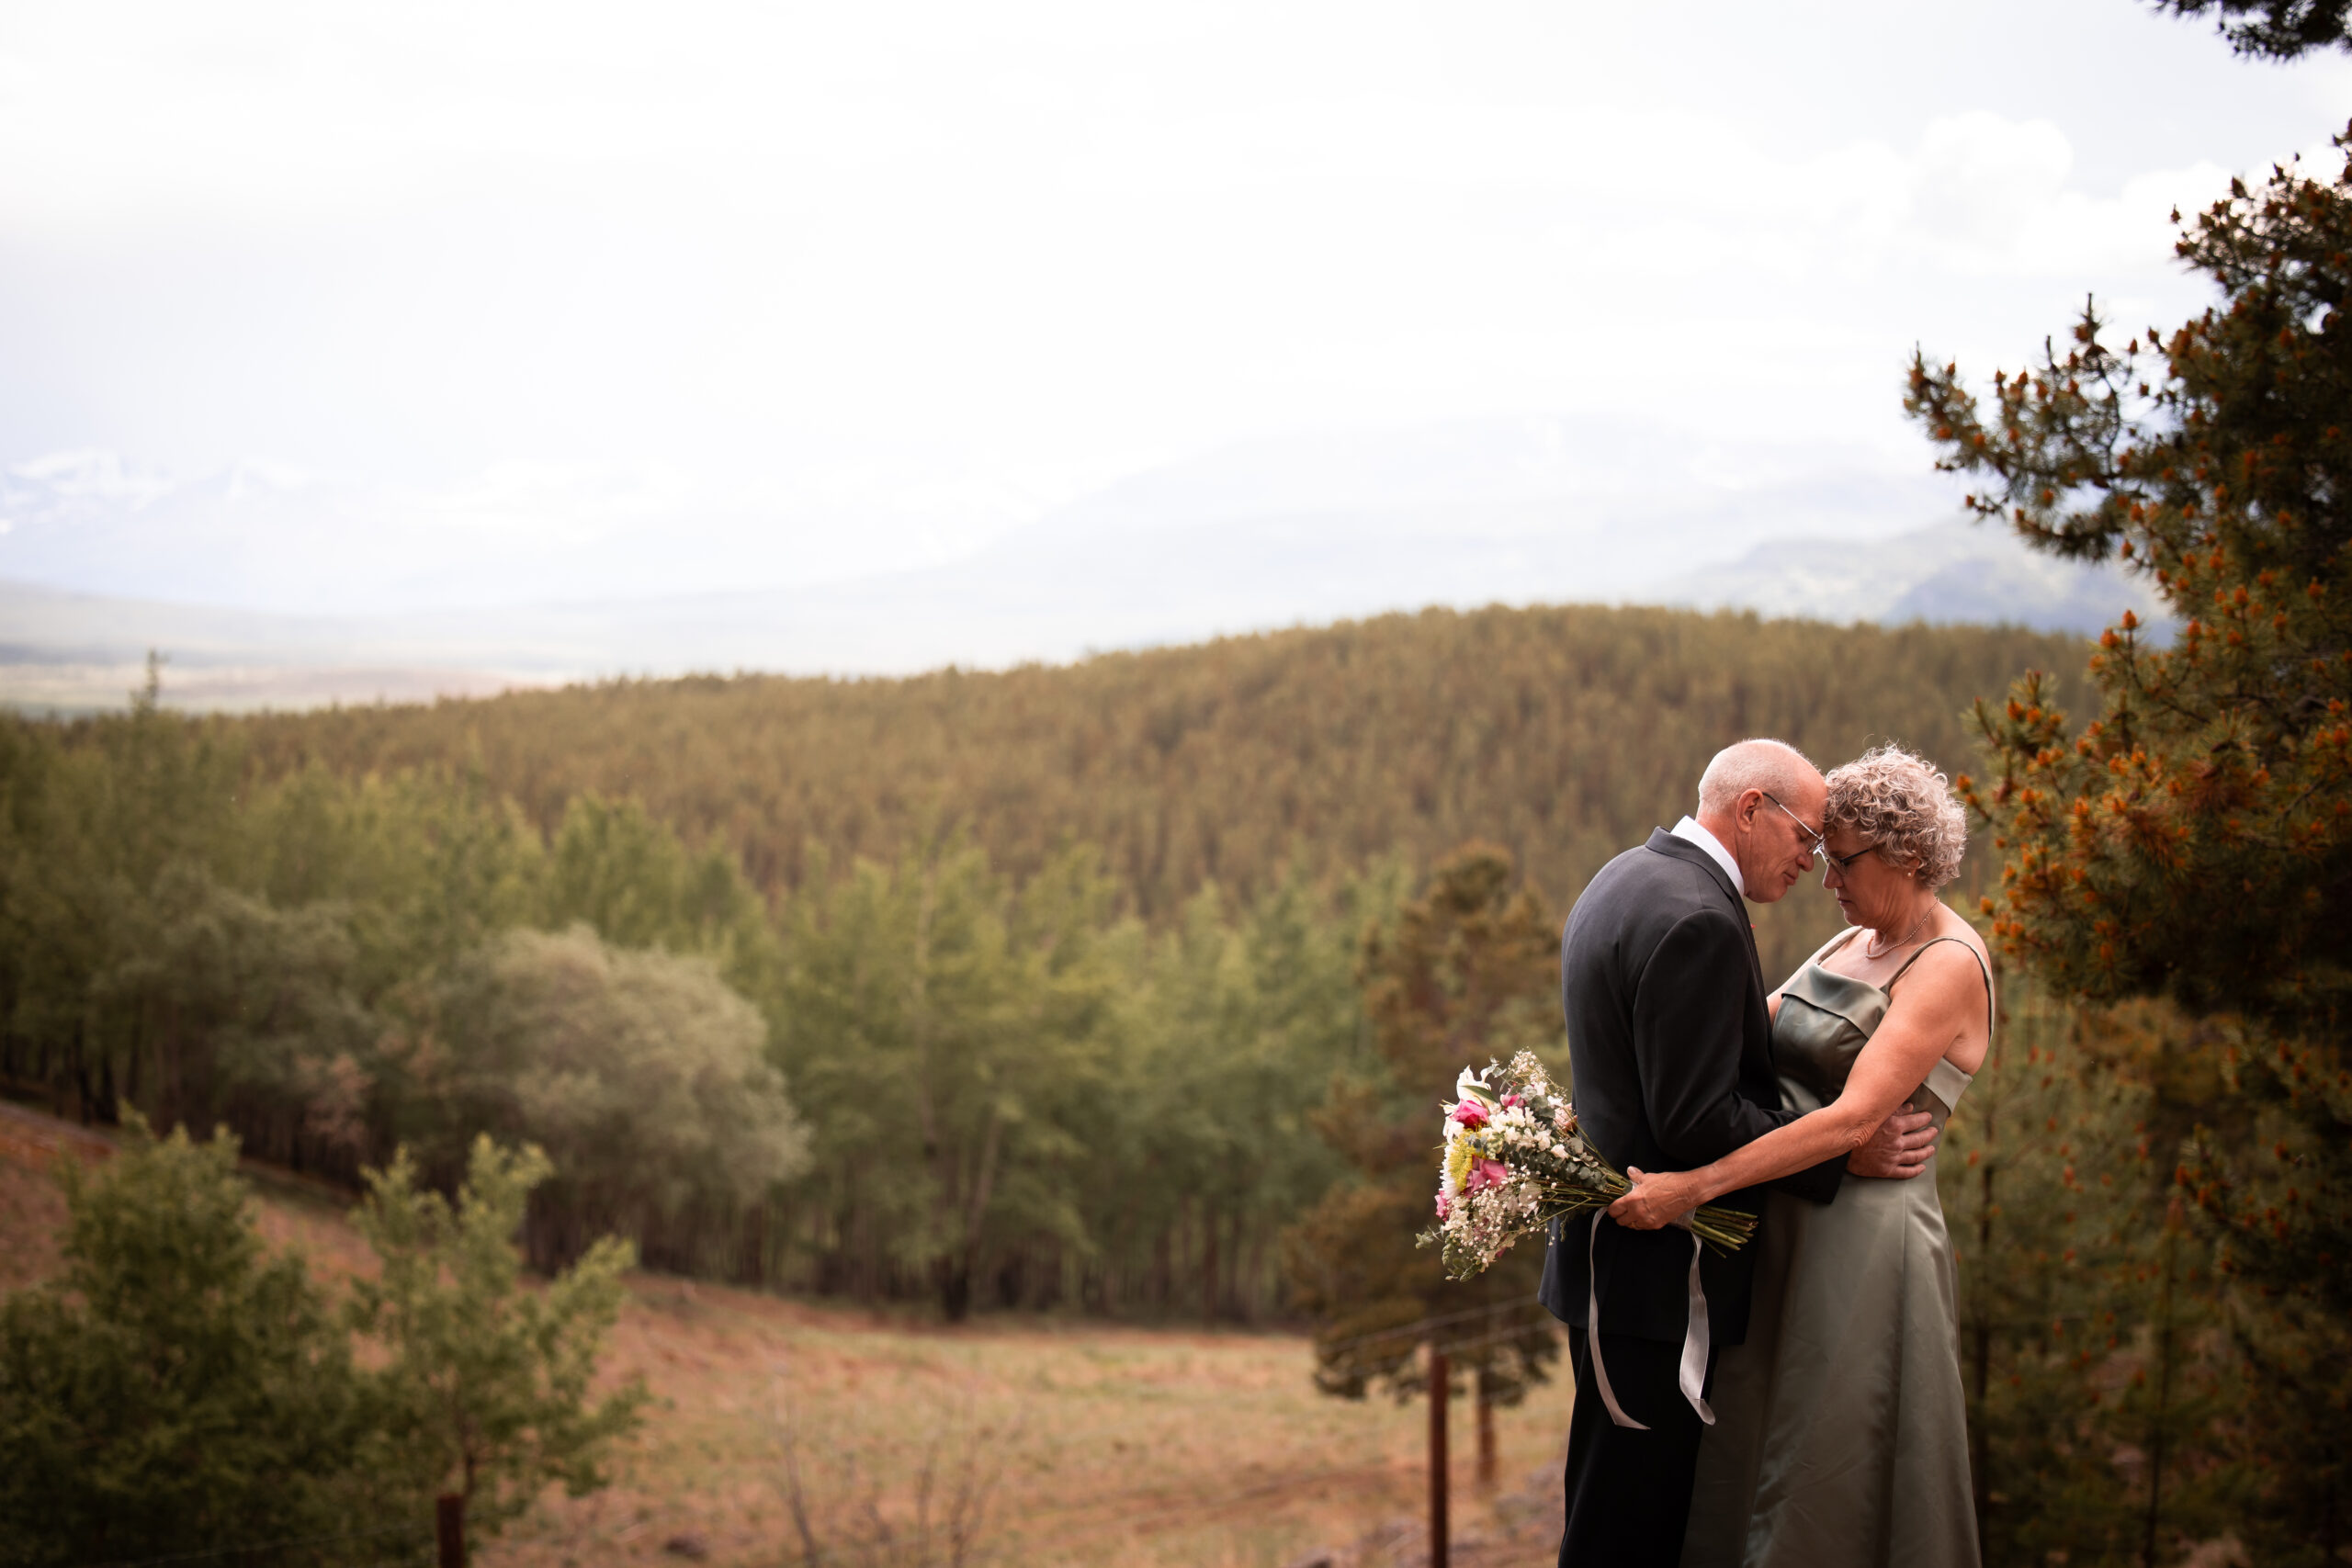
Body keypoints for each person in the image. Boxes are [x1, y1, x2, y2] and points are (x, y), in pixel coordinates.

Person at [1540, 739, 1939, 1568]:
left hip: (1606, 1269)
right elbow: (1695, 1121)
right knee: (1631, 1530)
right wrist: (1842, 1155)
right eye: (1806, 836)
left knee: (1605, 1502)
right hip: (1657, 1279)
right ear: (1752, 808)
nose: (1813, 858)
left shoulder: (1622, 876)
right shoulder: (1699, 917)